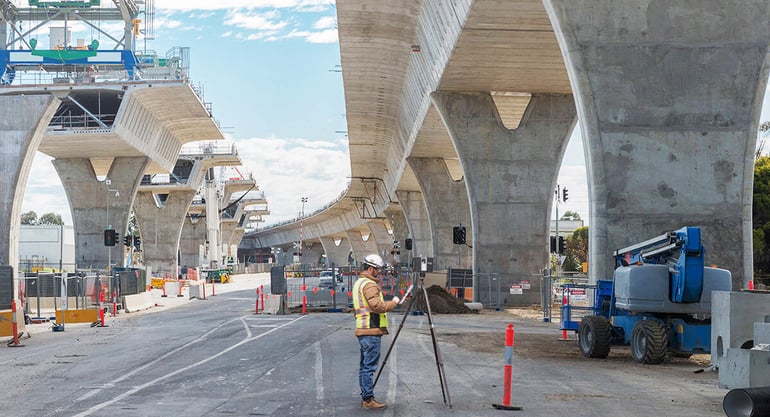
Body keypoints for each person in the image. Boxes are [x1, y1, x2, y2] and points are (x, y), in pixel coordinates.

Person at [353, 254, 400, 410]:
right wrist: (393, 303)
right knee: (369, 367)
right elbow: (377, 306)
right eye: (378, 270)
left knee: (364, 366)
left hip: (364, 330)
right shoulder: (369, 285)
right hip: (371, 330)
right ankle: (368, 399)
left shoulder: (359, 283)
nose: (379, 273)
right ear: (371, 268)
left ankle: (366, 396)